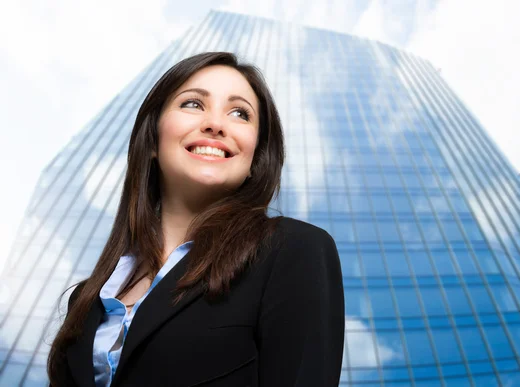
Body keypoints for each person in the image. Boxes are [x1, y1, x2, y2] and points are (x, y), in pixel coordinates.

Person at [47, 52, 345, 387]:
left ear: (255, 159)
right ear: (153, 140)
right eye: (193, 104)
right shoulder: (86, 302)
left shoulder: (292, 251)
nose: (216, 124)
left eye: (239, 113)